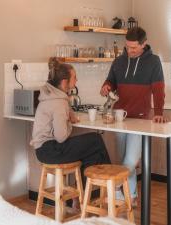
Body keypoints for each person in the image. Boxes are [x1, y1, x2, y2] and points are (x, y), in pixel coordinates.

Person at [31, 57, 111, 208]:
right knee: (95, 139)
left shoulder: (51, 96)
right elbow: (61, 137)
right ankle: (113, 184)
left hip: (43, 150)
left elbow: (60, 113)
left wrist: (69, 114)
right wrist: (68, 121)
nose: (77, 80)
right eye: (74, 77)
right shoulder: (59, 102)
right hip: (52, 150)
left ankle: (79, 198)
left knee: (92, 153)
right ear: (64, 82)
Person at [100, 27, 167, 204]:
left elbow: (158, 90)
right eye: (128, 47)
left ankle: (126, 195)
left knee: (129, 160)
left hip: (141, 119)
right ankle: (132, 196)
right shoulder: (119, 61)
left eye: (134, 48)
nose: (130, 51)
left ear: (144, 44)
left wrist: (159, 112)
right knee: (123, 161)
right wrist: (106, 86)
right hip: (120, 117)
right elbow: (111, 82)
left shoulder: (154, 61)